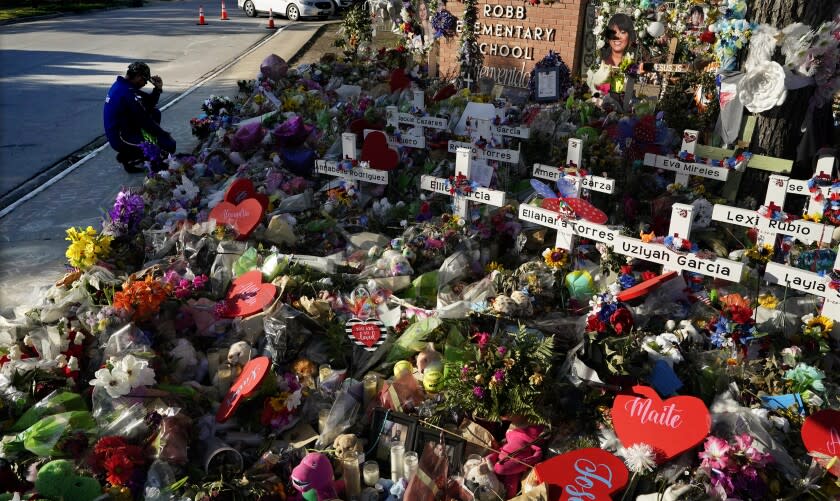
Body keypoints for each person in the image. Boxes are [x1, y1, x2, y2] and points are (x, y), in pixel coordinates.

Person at [103, 62, 176, 173]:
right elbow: (144, 120)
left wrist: (157, 89)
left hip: (128, 129)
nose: (145, 83)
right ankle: (130, 157)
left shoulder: (124, 86)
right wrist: (163, 135)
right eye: (144, 80)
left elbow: (149, 104)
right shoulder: (126, 92)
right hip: (121, 137)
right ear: (137, 76)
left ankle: (136, 153)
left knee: (155, 113)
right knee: (168, 146)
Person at [586, 13, 637, 96]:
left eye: (622, 32)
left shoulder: (633, 66)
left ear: (629, 36)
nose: (617, 36)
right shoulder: (599, 63)